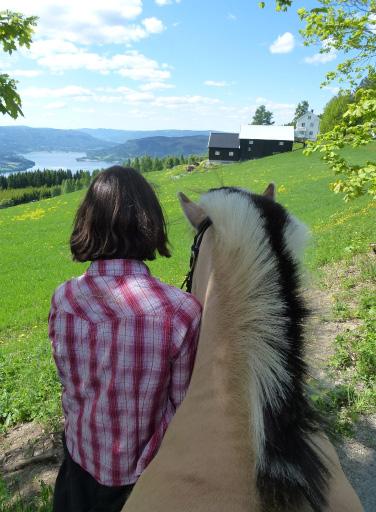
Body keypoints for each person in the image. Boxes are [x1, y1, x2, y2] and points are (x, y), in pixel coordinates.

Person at [48, 166, 202, 512]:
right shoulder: (181, 312)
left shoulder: (63, 299)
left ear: (87, 222)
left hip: (76, 466)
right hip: (146, 487)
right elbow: (182, 413)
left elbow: (69, 385)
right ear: (150, 223)